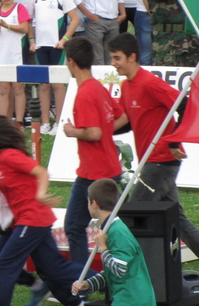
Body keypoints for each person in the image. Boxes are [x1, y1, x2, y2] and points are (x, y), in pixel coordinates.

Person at [107, 33, 199, 293]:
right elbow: (127, 121)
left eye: (117, 58)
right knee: (178, 220)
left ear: (132, 57)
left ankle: (128, 280)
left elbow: (184, 104)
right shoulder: (127, 85)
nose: (114, 63)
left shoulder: (149, 83)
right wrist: (99, 131)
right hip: (151, 164)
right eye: (112, 58)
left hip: (160, 163)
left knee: (132, 217)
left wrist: (174, 142)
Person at [0, 113, 87, 306]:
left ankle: (111, 279)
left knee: (4, 266)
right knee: (52, 269)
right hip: (22, 221)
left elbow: (40, 171)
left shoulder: (9, 155)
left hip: (32, 219)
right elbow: (12, 184)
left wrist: (40, 194)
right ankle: (74, 298)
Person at [61, 37, 123, 267]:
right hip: (110, 167)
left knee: (74, 226)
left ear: (71, 62)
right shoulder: (98, 87)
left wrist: (71, 131)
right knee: (111, 226)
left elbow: (94, 133)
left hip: (93, 172)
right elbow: (121, 117)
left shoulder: (85, 93)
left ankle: (81, 283)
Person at [72, 179, 156, 306]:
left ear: (94, 203)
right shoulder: (110, 229)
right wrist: (90, 284)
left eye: (87, 201)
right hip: (125, 298)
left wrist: (103, 248)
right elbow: (111, 272)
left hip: (133, 300)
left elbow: (119, 270)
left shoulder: (117, 233)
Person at [30, 0, 78, 135]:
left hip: (57, 46)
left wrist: (65, 39)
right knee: (44, 85)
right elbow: (29, 21)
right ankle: (45, 122)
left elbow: (75, 19)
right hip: (41, 47)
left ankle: (59, 121)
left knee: (58, 85)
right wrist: (32, 40)